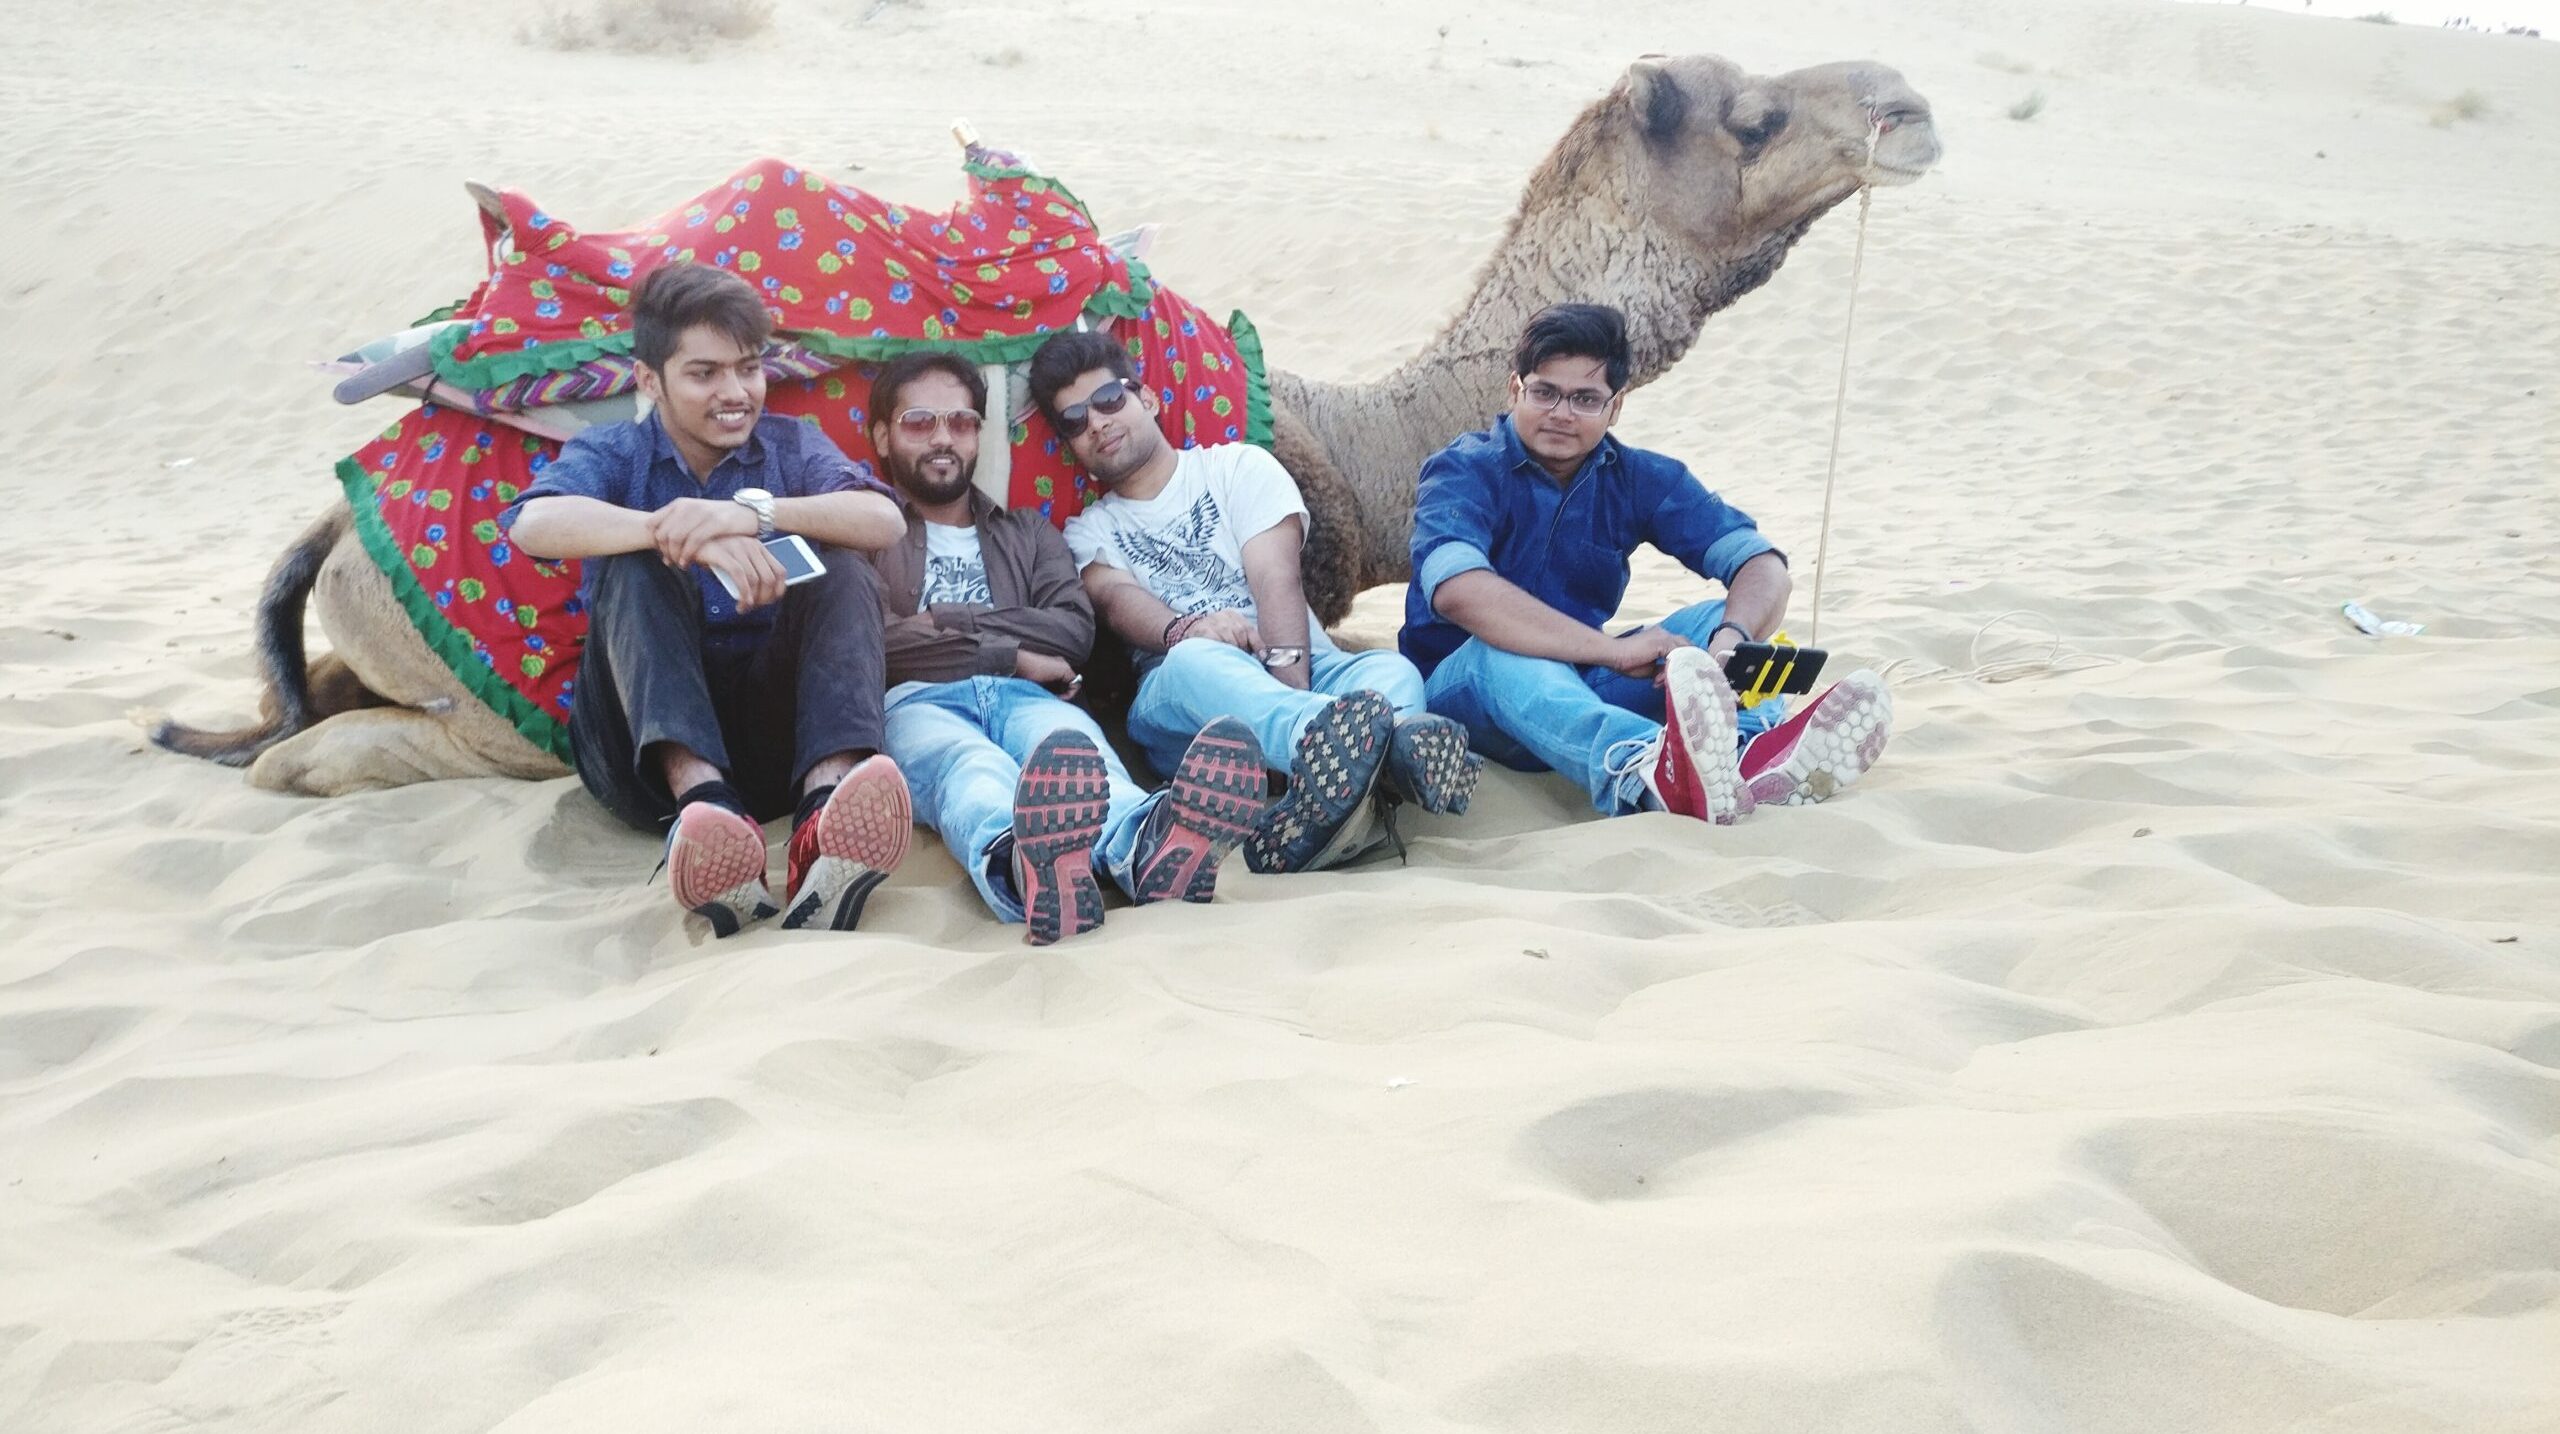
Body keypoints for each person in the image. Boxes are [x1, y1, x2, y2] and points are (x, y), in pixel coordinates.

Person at [503, 263, 911, 936]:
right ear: (648, 381)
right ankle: (707, 815)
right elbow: (533, 525)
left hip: (777, 746)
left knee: (844, 568)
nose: (735, 393)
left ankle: (821, 818)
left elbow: (883, 520)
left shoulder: (789, 446)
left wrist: (749, 517)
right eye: (704, 374)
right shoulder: (614, 452)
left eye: (748, 369)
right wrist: (675, 535)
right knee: (634, 566)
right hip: (642, 756)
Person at [1401, 302, 1892, 824]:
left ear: (1616, 407)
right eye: (1544, 392)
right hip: (1464, 694)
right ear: (1514, 390)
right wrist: (1613, 651)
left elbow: (1762, 565)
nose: (1561, 413)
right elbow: (1459, 591)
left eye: (1585, 399)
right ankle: (1643, 771)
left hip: (1580, 683)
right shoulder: (1464, 470)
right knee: (1496, 653)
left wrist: (1729, 639)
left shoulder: (1637, 477)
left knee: (1714, 623)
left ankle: (1748, 756)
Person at [1026, 330, 1480, 875]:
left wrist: (1289, 686)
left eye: (1107, 401)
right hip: (1190, 698)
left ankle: (1331, 794)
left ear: (1145, 399)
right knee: (1201, 662)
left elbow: (1276, 578)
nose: (1097, 422)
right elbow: (1116, 598)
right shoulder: (1087, 531)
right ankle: (1378, 752)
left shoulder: (1237, 467)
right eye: (1074, 420)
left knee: (1389, 669)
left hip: (1305, 663)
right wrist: (1184, 630)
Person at [862, 351, 1272, 944]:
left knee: (1077, 753)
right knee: (967, 769)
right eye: (920, 422)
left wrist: (937, 624)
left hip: (1031, 696)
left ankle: (1145, 852)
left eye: (961, 422)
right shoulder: (866, 531)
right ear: (882, 436)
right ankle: (1023, 868)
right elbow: (874, 641)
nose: (943, 438)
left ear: (979, 434)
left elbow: (1071, 631)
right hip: (919, 702)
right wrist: (1009, 651)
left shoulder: (1028, 531)